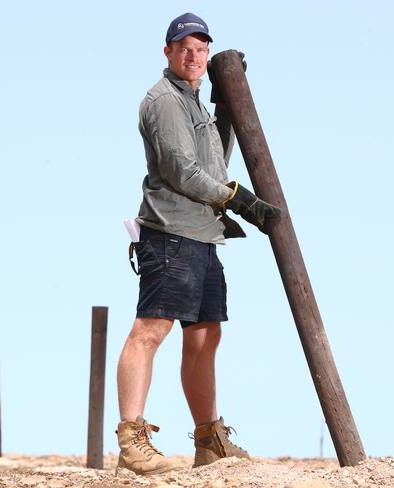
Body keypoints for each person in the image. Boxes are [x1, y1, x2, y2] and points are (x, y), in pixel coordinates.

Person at [115, 12, 280, 475]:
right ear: (167, 52)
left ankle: (209, 440)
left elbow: (212, 162)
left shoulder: (196, 103)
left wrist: (226, 112)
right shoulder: (165, 101)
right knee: (150, 330)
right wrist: (237, 198)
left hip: (202, 236)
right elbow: (182, 171)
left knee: (205, 335)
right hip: (170, 233)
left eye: (201, 50)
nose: (194, 56)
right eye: (185, 48)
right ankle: (132, 443)